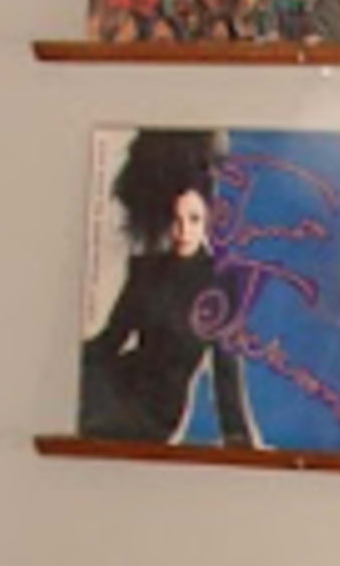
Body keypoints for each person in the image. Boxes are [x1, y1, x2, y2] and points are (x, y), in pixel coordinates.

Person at [78, 131, 258, 444]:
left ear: (208, 220)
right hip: (119, 382)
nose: (183, 230)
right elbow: (111, 339)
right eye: (175, 219)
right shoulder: (145, 269)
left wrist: (238, 439)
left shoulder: (221, 284)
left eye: (193, 219)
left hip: (157, 412)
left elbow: (225, 375)